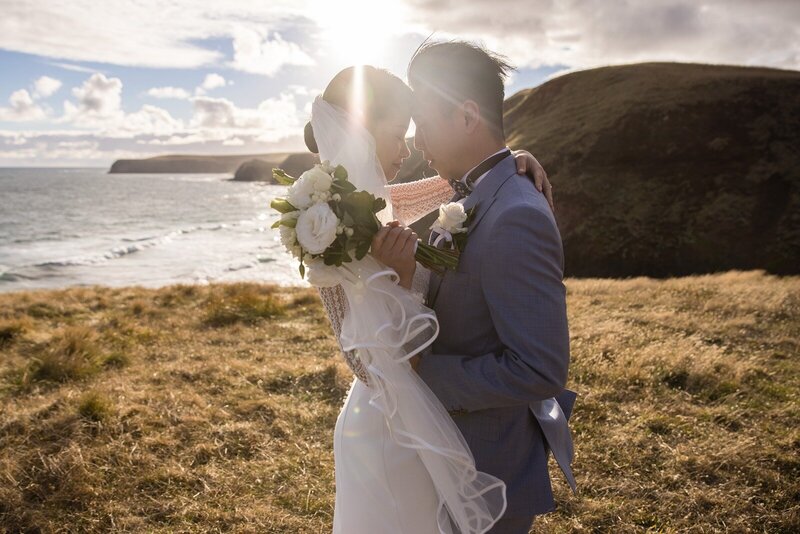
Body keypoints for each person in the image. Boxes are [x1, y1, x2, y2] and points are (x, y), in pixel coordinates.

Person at [303, 66, 555, 533]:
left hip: (414, 412)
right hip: (389, 425)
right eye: (398, 135)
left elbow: (461, 185)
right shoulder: (327, 227)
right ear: (360, 132)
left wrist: (513, 157)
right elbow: (362, 359)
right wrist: (402, 281)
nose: (407, 150)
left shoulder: (369, 199)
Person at [371, 41, 577, 533]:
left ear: (466, 117)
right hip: (450, 456)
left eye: (422, 121)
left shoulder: (516, 216)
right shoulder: (481, 188)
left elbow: (540, 368)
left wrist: (421, 376)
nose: (417, 142)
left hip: (488, 467)